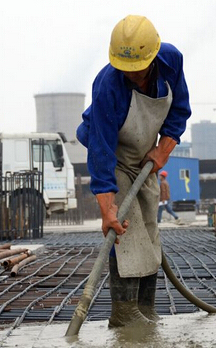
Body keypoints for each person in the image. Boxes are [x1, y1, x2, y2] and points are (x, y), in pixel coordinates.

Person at [76, 15, 191, 327]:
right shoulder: (107, 86)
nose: (134, 74)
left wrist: (163, 148)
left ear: (153, 56)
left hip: (145, 157)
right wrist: (107, 208)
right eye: (127, 69)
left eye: (139, 67)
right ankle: (124, 312)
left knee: (150, 226)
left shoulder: (171, 61)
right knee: (125, 227)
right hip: (112, 154)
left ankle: (146, 307)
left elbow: (179, 109)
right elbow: (100, 150)